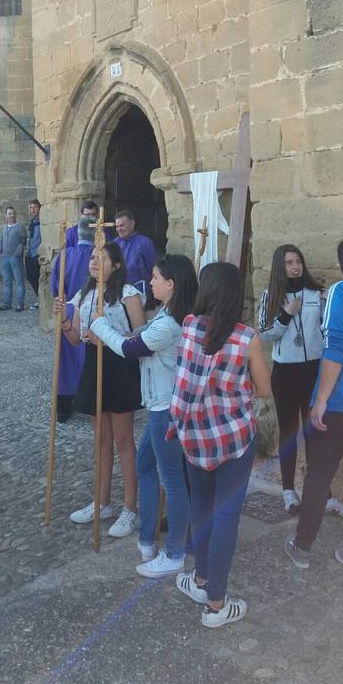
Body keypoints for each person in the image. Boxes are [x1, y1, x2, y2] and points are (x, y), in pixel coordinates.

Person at [169, 262, 271, 628]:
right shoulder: (247, 338)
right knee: (226, 513)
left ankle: (199, 580)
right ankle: (216, 604)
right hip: (233, 437)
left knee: (202, 506)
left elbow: (181, 380)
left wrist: (179, 421)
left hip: (194, 434)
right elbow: (263, 389)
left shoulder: (189, 326)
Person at [90, 254, 198, 577]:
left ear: (171, 284)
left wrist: (101, 326)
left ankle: (175, 551)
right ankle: (147, 536)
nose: (150, 282)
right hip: (159, 406)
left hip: (167, 409)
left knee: (174, 482)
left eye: (154, 277)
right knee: (145, 465)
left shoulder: (170, 323)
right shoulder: (167, 313)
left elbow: (130, 348)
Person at [285, 232, 343, 578]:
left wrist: (320, 400)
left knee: (319, 474)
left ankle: (302, 547)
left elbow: (335, 347)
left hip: (339, 403)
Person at [258, 244, 343, 519]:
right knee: (289, 433)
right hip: (285, 374)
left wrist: (329, 304)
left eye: (298, 261)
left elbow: (331, 327)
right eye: (289, 262)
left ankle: (324, 496)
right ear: (281, 266)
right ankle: (289, 491)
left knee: (317, 433)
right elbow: (264, 334)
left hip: (314, 370)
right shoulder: (271, 296)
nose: (295, 267)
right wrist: (287, 313)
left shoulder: (316, 293)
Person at [53, 242, 145, 538]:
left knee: (123, 441)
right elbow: (76, 339)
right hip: (94, 366)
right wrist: (65, 320)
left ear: (116, 265)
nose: (94, 262)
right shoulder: (84, 294)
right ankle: (102, 501)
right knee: (101, 439)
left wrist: (109, 336)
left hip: (119, 368)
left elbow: (141, 338)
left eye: (101, 258)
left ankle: (130, 509)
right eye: (92, 257)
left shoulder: (128, 295)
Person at [50, 215, 95, 422]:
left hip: (67, 312)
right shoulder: (98, 256)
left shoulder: (65, 255)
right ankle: (90, 401)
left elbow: (55, 288)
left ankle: (64, 405)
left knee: (66, 361)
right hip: (93, 311)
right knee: (90, 358)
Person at [114, 209, 157, 293]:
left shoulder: (145, 243)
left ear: (132, 224)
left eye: (122, 225)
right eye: (117, 226)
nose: (119, 229)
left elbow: (153, 269)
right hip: (117, 289)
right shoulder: (114, 244)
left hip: (139, 289)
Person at [0, 206, 27, 312]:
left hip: (15, 258)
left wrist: (16, 254)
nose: (11, 215)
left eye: (13, 213)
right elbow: (1, 241)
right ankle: (6, 303)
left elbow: (23, 242)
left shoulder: (20, 227)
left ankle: (20, 304)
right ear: (6, 215)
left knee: (19, 281)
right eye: (9, 213)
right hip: (4, 258)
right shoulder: (4, 228)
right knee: (6, 281)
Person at [26, 199, 42, 310]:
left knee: (37, 277)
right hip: (31, 252)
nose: (33, 210)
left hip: (37, 253)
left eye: (35, 207)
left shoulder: (42, 220)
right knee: (31, 277)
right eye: (31, 208)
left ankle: (41, 300)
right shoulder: (33, 220)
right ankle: (39, 299)